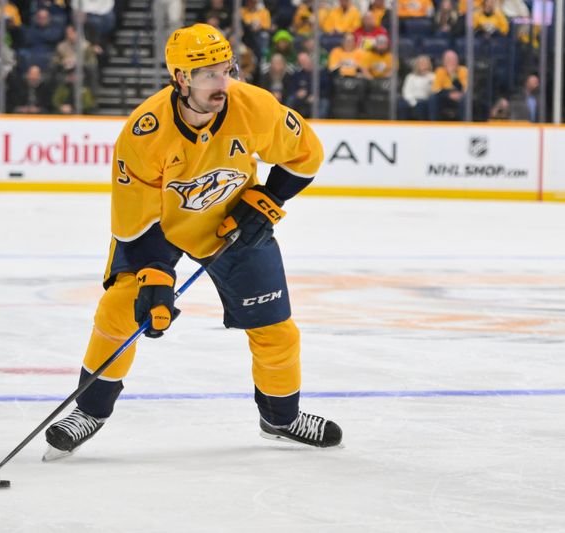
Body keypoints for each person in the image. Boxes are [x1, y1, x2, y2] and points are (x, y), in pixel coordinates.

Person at [43, 23, 342, 460]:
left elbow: (306, 155)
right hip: (161, 229)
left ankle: (281, 417)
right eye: (209, 74)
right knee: (119, 309)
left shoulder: (253, 106)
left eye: (227, 68)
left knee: (276, 330)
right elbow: (135, 220)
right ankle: (88, 410)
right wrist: (154, 277)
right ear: (181, 78)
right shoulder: (144, 133)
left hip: (233, 224)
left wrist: (267, 199)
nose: (223, 82)